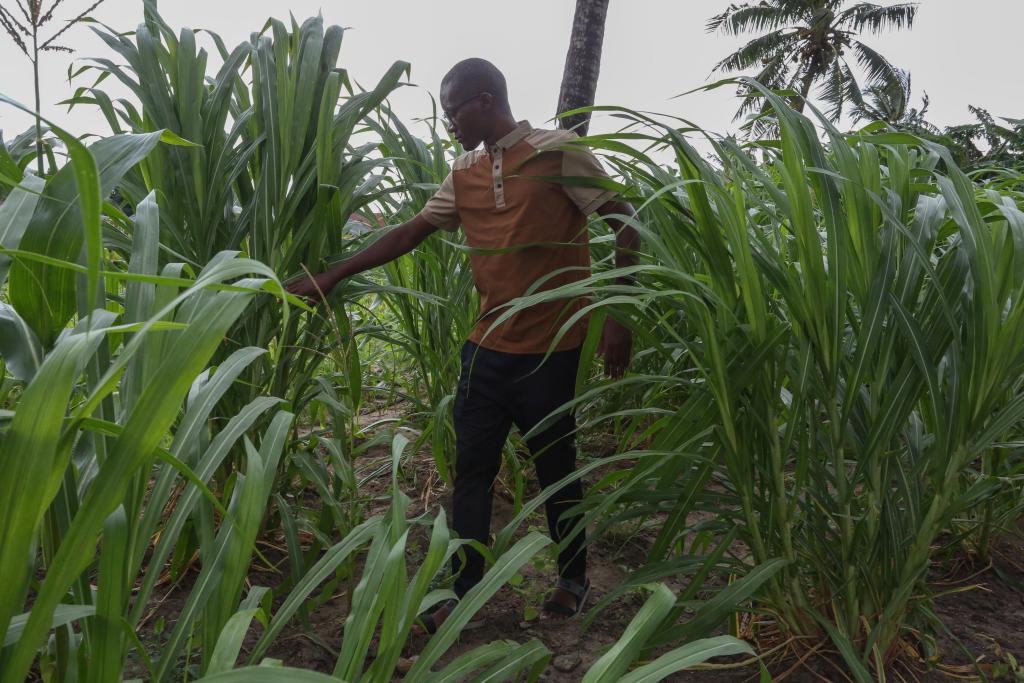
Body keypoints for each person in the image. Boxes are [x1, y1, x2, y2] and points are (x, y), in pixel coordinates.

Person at [286, 57, 638, 631]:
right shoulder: (464, 172)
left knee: (557, 467)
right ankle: (463, 587)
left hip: (552, 349)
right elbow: (410, 232)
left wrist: (619, 311)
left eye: (453, 110)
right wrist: (333, 275)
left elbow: (626, 222)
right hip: (487, 348)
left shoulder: (557, 151)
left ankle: (572, 576)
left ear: (485, 101)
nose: (448, 122)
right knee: (472, 469)